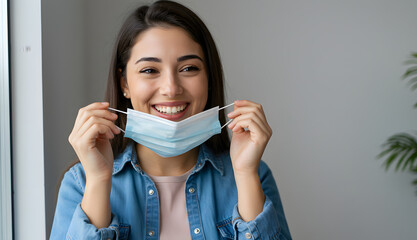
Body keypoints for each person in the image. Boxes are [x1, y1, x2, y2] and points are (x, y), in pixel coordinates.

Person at [50, 1, 291, 239]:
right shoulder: (81, 183)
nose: (171, 88)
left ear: (209, 77)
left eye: (188, 68)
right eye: (149, 70)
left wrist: (246, 174)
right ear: (124, 83)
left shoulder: (254, 174)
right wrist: (99, 180)